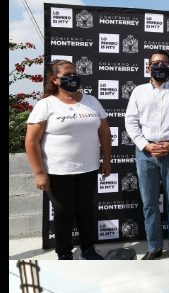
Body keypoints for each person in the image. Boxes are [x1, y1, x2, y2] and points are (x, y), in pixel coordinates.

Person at [25, 59, 112, 260]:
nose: (73, 78)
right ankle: (64, 253)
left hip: (88, 169)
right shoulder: (46, 105)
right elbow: (31, 141)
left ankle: (89, 249)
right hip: (58, 172)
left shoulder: (91, 101)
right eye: (67, 75)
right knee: (63, 214)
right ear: (55, 80)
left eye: (75, 74)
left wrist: (106, 160)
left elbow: (105, 133)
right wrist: (39, 173)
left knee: (86, 212)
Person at [125, 50, 169, 260]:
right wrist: (145, 145)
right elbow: (130, 121)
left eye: (164, 63)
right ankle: (154, 247)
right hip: (145, 154)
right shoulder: (138, 92)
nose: (160, 66)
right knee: (149, 204)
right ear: (148, 67)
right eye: (156, 63)